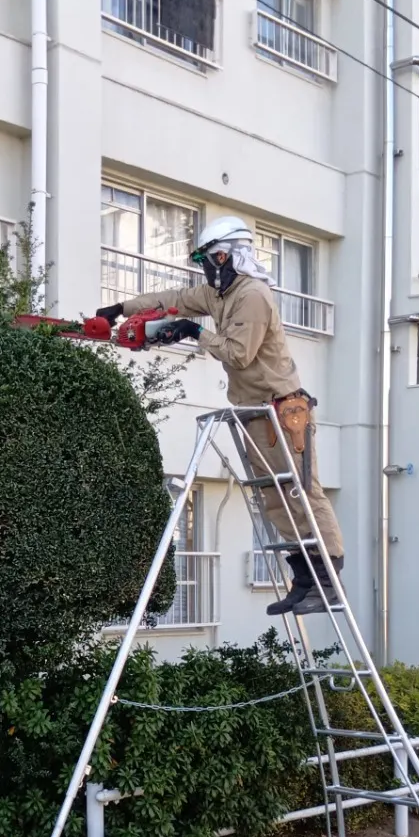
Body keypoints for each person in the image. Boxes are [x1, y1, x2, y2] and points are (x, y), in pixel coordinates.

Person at [97, 216, 346, 616]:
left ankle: (328, 582)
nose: (206, 267)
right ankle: (305, 581)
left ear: (227, 255)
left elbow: (238, 354)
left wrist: (193, 332)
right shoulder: (218, 294)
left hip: (282, 411)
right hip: (253, 412)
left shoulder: (253, 295)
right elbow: (173, 297)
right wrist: (121, 309)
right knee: (274, 498)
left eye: (208, 258)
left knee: (301, 492)